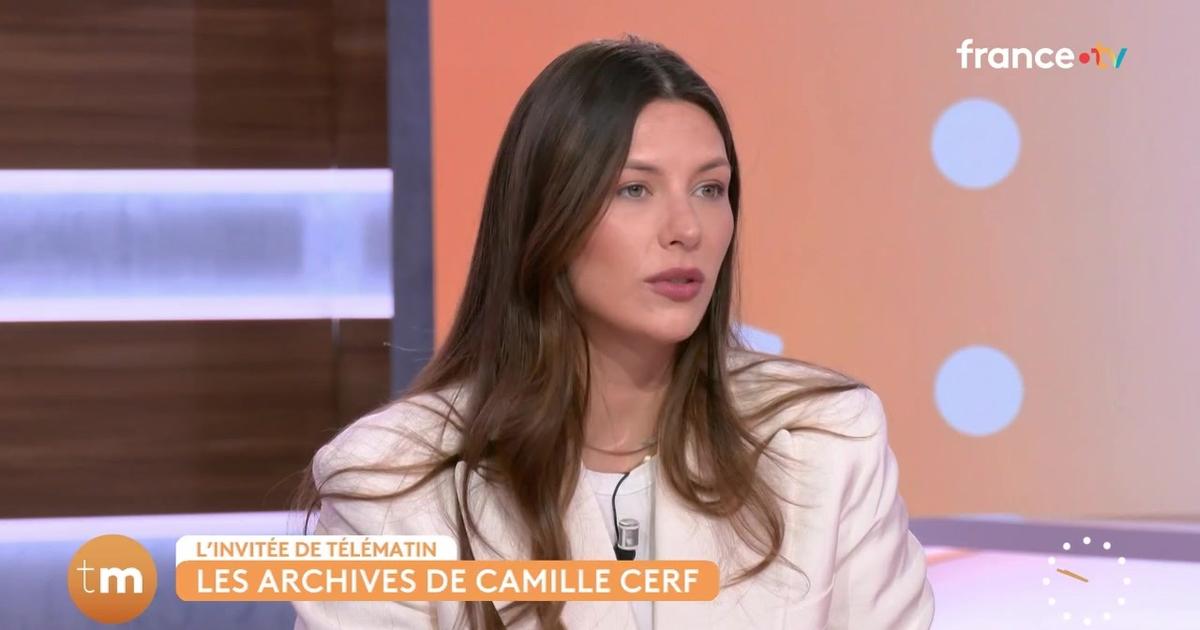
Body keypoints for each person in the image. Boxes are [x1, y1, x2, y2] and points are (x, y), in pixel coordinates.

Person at [292, 34, 934, 630]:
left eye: (710, 189)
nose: (686, 228)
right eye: (634, 190)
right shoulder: (391, 484)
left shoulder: (827, 444)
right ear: (546, 217)